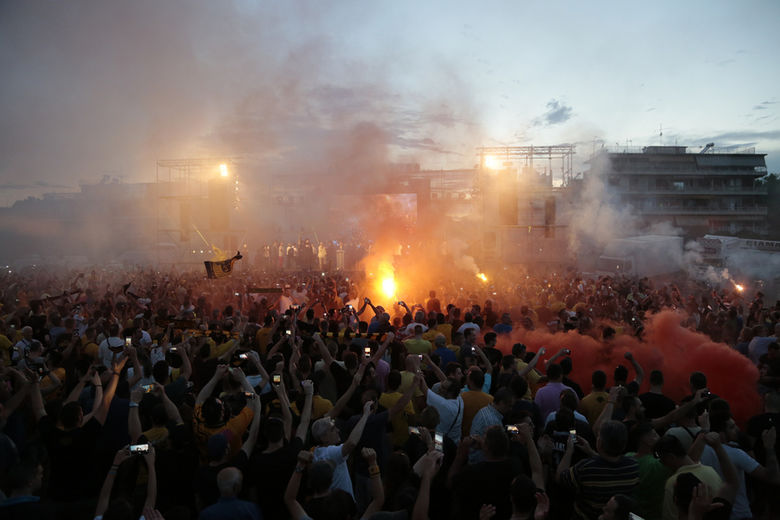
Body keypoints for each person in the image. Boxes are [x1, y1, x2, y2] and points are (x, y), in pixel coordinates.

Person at [557, 420, 640, 520]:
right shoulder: (633, 466)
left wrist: (569, 451)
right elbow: (610, 465)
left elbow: (560, 478)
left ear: (599, 443)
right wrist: (591, 452)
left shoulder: (586, 467)